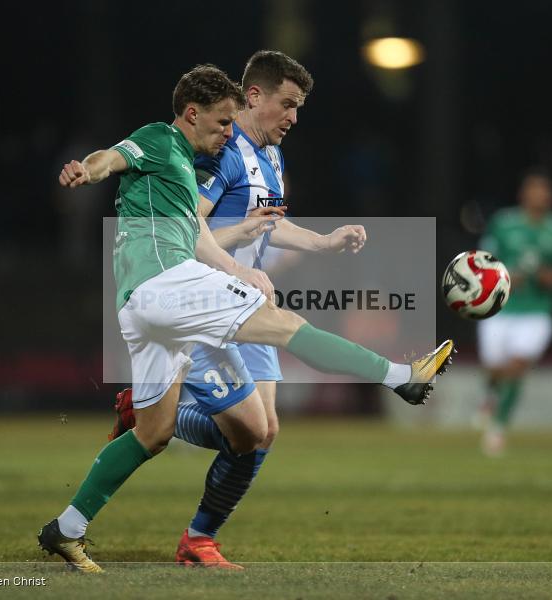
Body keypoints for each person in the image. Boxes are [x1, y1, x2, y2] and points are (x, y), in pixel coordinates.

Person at [37, 64, 454, 573]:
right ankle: (403, 378)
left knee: (158, 431)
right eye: (221, 123)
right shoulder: (161, 140)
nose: (229, 134)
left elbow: (202, 232)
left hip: (140, 305)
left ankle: (66, 528)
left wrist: (291, 249)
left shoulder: (195, 168)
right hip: (168, 284)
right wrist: (87, 169)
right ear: (192, 114)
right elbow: (113, 157)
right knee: (284, 325)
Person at [107, 50, 372, 569]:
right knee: (250, 431)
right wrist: (235, 270)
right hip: (209, 304)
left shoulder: (269, 155)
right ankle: (199, 539)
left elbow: (269, 224)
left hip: (249, 305)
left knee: (262, 432)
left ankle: (193, 528)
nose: (295, 117)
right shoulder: (221, 153)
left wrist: (325, 241)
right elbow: (189, 223)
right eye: (288, 104)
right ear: (254, 96)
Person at [477, 167, 552, 455]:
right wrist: (504, 275)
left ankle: (497, 427)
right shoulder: (503, 223)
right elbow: (484, 262)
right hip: (500, 308)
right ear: (523, 194)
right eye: (534, 190)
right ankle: (492, 394)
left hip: (538, 309)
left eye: (544, 191)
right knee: (495, 369)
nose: (539, 196)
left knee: (518, 366)